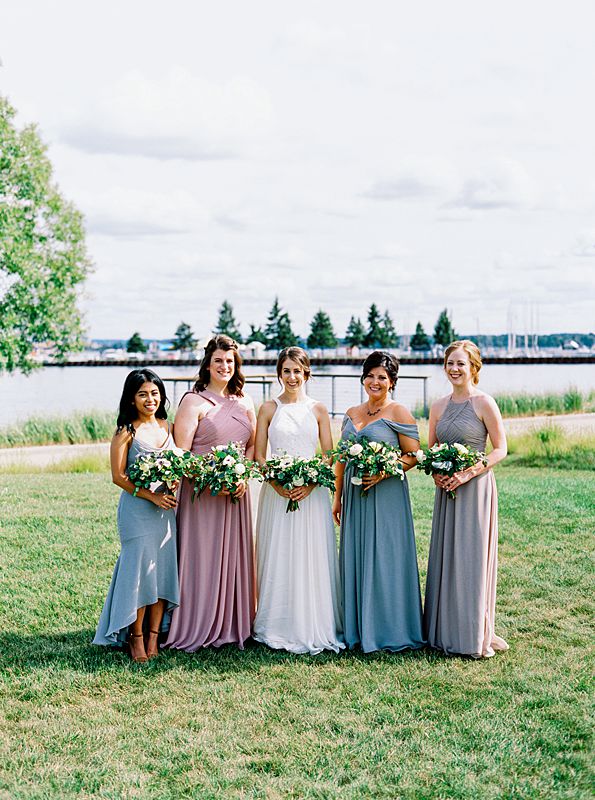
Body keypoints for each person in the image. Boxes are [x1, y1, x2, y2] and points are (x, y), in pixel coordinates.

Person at [166, 335, 256, 651]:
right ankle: (198, 620)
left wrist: (241, 474)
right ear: (207, 363)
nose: (224, 366)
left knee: (233, 556)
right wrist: (214, 473)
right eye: (218, 360)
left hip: (235, 494)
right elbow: (181, 452)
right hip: (201, 494)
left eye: (230, 361)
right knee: (202, 556)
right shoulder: (193, 401)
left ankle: (233, 622)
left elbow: (253, 445)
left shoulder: (245, 402)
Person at [253, 347, 344, 655]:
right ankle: (277, 622)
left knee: (309, 553)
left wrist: (310, 483)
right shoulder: (268, 408)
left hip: (311, 494)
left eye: (297, 371)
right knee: (279, 552)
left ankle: (311, 621)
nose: (292, 377)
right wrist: (277, 483)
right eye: (286, 371)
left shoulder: (317, 409)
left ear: (307, 373)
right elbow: (259, 456)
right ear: (279, 373)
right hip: (277, 494)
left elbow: (329, 455)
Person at [332, 351, 425, 653]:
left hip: (386, 496)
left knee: (385, 556)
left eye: (382, 377)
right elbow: (341, 459)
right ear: (363, 378)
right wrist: (337, 496)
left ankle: (389, 628)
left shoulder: (398, 413)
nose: (375, 382)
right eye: (370, 376)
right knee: (357, 555)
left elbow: (412, 455)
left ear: (392, 382)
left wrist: (384, 471)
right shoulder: (351, 413)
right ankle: (357, 628)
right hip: (355, 496)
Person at [423, 340, 509, 658]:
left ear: (473, 367)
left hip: (476, 489)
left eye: (461, 363)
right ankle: (442, 628)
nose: (455, 369)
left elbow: (500, 449)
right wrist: (436, 473)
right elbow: (430, 448)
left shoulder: (484, 403)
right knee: (446, 555)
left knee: (471, 557)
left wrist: (468, 473)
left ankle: (472, 631)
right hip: (446, 489)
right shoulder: (438, 406)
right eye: (450, 364)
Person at [93, 369, 179, 663]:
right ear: (132, 399)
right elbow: (118, 476)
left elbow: (175, 464)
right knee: (140, 575)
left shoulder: (168, 426)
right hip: (138, 512)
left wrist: (174, 482)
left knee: (163, 573)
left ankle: (155, 637)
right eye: (143, 394)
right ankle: (135, 638)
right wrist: (151, 495)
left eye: (154, 393)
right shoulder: (125, 432)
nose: (150, 399)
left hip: (166, 513)